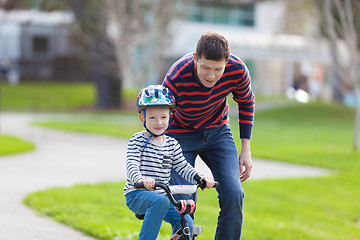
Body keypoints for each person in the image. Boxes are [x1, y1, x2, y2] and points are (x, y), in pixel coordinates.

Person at [162, 31, 255, 239]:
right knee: (183, 198)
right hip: (180, 134)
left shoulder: (237, 70)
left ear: (227, 63)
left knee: (234, 193)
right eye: (205, 67)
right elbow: (160, 115)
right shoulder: (176, 75)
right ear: (195, 59)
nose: (211, 75)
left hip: (218, 132)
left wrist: (246, 149)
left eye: (217, 69)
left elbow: (246, 102)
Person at [123, 85, 215, 240]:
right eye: (152, 118)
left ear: (170, 117)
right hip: (137, 194)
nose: (158, 122)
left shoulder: (172, 144)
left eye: (163, 117)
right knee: (160, 201)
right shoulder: (137, 140)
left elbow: (182, 166)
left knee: (189, 228)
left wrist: (200, 178)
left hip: (164, 198)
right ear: (142, 118)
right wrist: (140, 179)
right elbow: (131, 163)